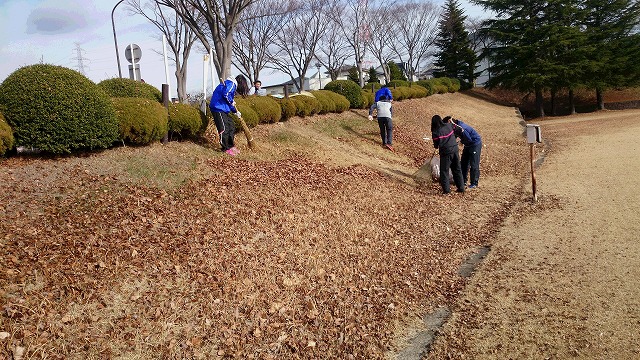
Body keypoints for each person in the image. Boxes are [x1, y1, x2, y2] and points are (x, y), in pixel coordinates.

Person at [209, 75, 249, 156]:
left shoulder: (231, 86)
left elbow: (228, 100)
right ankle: (225, 148)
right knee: (224, 128)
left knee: (231, 126)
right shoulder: (231, 84)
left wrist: (235, 111)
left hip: (224, 109)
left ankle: (231, 146)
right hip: (218, 108)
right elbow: (226, 94)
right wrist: (231, 101)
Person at [444, 116, 482, 189]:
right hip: (467, 145)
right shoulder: (454, 127)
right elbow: (454, 136)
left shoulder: (460, 127)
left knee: (473, 164)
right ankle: (463, 181)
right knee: (464, 163)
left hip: (475, 144)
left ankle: (474, 183)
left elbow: (468, 139)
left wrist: (461, 142)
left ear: (449, 121)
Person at [431, 114, 465, 194]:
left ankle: (446, 190)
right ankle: (461, 187)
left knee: (444, 171)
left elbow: (436, 145)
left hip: (446, 153)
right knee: (457, 169)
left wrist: (437, 145)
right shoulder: (449, 125)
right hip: (455, 150)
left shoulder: (435, 132)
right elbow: (459, 130)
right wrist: (454, 138)